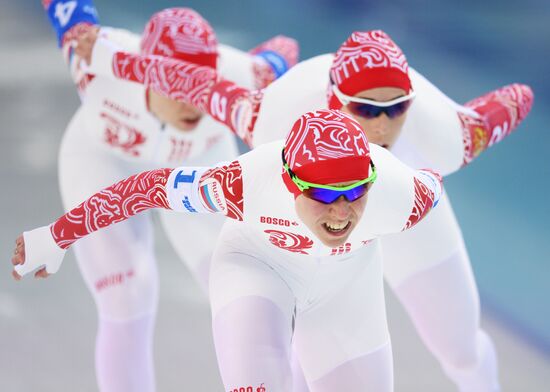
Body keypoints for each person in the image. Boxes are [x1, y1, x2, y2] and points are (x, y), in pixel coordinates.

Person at [80, 29, 533, 391]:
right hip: (321, 230)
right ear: (334, 98)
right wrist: (106, 59)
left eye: (397, 109)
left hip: (402, 207)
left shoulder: (447, 133)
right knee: (303, 344)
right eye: (364, 108)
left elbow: (514, 100)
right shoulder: (276, 113)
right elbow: (193, 83)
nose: (381, 124)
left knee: (461, 352)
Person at [13, 108, 443, 391]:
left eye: (355, 192)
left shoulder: (402, 195)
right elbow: (144, 189)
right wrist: (56, 237)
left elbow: (438, 166)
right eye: (324, 196)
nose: (342, 212)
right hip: (258, 266)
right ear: (290, 183)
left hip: (347, 287)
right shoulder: (242, 183)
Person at [37, 1, 298, 391]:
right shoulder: (96, 57)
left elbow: (287, 46)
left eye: (201, 85)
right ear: (145, 74)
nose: (191, 101)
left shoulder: (243, 74)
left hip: (196, 167)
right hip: (102, 163)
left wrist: (273, 61)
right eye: (175, 85)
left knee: (248, 295)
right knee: (126, 296)